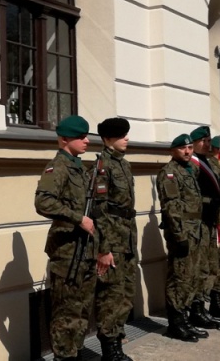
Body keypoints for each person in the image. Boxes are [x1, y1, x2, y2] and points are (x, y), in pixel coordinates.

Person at [35, 115, 96, 361]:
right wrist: (77, 218)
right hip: (67, 252)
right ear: (64, 139)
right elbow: (43, 202)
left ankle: (75, 352)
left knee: (81, 310)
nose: (87, 141)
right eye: (81, 137)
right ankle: (64, 356)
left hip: (86, 250)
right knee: (65, 313)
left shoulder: (81, 169)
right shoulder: (57, 167)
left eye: (86, 135)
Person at [156, 134, 208, 343]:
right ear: (173, 150)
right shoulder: (169, 173)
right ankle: (176, 323)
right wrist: (179, 236)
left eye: (189, 148)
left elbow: (192, 200)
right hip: (182, 231)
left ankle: (185, 317)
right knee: (179, 277)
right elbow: (172, 208)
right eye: (182, 148)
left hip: (195, 229)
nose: (187, 152)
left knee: (193, 275)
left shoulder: (191, 170)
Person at [93, 117, 137, 361]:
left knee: (125, 293)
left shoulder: (124, 164)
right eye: (121, 135)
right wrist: (105, 248)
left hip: (127, 237)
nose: (126, 139)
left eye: (126, 134)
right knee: (111, 295)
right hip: (113, 240)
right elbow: (99, 210)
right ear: (108, 139)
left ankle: (118, 342)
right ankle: (109, 350)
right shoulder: (102, 166)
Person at [188, 126, 220, 331]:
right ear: (194, 143)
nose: (207, 143)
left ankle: (209, 302)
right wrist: (213, 200)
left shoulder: (209, 162)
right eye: (203, 140)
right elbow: (192, 197)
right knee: (200, 268)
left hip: (211, 221)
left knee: (212, 266)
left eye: (209, 140)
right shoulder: (193, 164)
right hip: (200, 222)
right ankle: (196, 308)